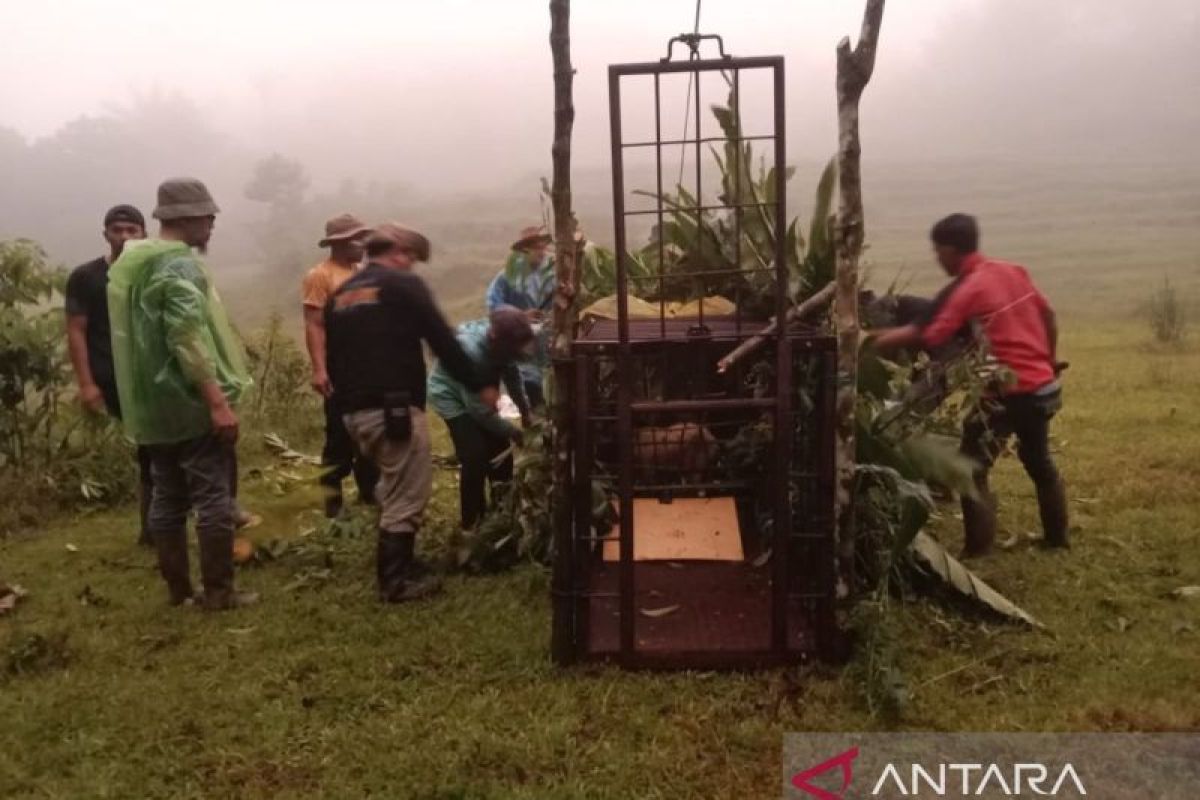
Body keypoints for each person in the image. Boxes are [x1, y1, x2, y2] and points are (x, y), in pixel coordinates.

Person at [870, 213, 1068, 557]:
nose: (937, 259)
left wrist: (862, 342)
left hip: (1008, 394)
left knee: (971, 469)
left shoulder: (969, 287)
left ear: (950, 250)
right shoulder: (1012, 271)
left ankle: (978, 550)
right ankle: (1057, 539)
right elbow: (1048, 314)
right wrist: (1048, 360)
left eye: (938, 252)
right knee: (1040, 462)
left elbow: (928, 334)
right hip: (1042, 387)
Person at [325, 223, 498, 603]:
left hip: (353, 413)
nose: (412, 266)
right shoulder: (403, 286)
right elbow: (443, 342)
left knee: (392, 484)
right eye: (412, 258)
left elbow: (333, 356)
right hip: (394, 409)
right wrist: (479, 383)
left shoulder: (341, 294)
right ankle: (395, 581)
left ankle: (403, 564)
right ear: (400, 252)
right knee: (408, 493)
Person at [108, 177, 258, 609]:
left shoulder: (137, 264)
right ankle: (219, 592)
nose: (212, 224)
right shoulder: (178, 266)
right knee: (212, 496)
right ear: (188, 218)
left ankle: (178, 592)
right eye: (208, 217)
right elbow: (187, 338)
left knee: (167, 495)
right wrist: (217, 403)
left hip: (154, 408)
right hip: (190, 402)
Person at [64, 204, 153, 546]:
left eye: (133, 230)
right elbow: (76, 330)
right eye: (118, 230)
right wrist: (87, 384)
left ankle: (154, 527)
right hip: (112, 375)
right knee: (153, 444)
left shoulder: (152, 273)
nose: (126, 237)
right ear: (106, 235)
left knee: (156, 446)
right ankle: (155, 527)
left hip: (152, 371)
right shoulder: (86, 277)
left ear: (144, 234)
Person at [428, 308, 534, 532]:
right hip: (451, 397)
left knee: (501, 455)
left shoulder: (504, 348)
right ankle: (472, 523)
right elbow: (478, 411)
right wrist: (515, 432)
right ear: (498, 339)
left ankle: (502, 512)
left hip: (479, 394)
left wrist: (525, 412)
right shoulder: (471, 352)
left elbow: (513, 378)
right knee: (474, 455)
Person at [302, 213, 379, 518]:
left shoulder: (364, 272)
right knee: (338, 436)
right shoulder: (320, 276)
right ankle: (332, 505)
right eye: (358, 239)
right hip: (340, 366)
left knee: (369, 432)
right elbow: (314, 324)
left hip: (367, 366)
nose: (363, 244)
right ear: (340, 243)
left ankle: (369, 493)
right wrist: (319, 369)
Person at [484, 225, 555, 409]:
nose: (541, 252)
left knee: (551, 381)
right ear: (524, 250)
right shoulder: (508, 276)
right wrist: (521, 316)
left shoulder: (551, 272)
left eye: (542, 247)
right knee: (529, 382)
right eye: (536, 248)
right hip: (521, 341)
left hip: (547, 338)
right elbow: (494, 306)